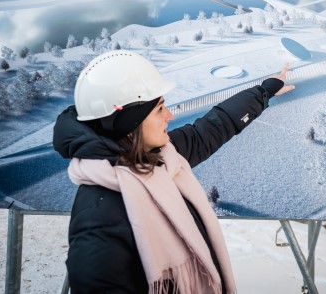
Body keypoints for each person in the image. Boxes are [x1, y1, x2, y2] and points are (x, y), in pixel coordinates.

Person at [53, 50, 295, 294]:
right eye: (159, 109)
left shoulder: (157, 158)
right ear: (129, 125)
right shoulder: (98, 225)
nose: (170, 115)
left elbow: (212, 128)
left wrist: (264, 91)